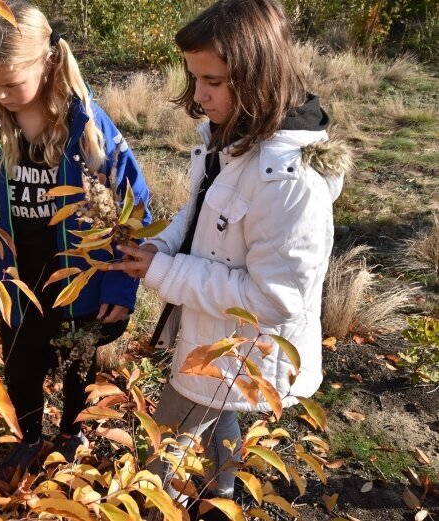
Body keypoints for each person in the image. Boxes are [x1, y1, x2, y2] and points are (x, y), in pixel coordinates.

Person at [108, 0, 351, 511]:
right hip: (211, 333)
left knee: (166, 443)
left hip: (239, 352)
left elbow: (273, 300)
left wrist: (165, 272)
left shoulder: (291, 186)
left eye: (212, 82)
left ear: (257, 77)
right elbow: (198, 215)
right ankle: (218, 496)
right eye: (195, 78)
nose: (198, 96)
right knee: (222, 416)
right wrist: (162, 247)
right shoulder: (230, 138)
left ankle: (155, 504)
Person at [0, 0, 150, 483]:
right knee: (21, 367)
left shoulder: (88, 129)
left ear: (47, 63)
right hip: (17, 283)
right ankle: (31, 436)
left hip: (82, 282)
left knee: (78, 363)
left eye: (11, 83)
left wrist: (121, 287)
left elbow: (130, 210)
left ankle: (72, 433)